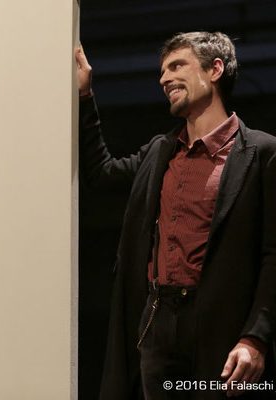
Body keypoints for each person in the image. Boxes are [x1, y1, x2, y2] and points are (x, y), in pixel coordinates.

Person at [76, 32, 276, 400]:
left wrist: (256, 338)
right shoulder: (161, 151)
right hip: (159, 321)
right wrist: (84, 95)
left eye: (177, 66)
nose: (164, 78)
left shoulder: (263, 152)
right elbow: (101, 174)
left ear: (215, 69)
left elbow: (273, 255)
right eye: (162, 71)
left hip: (222, 327)